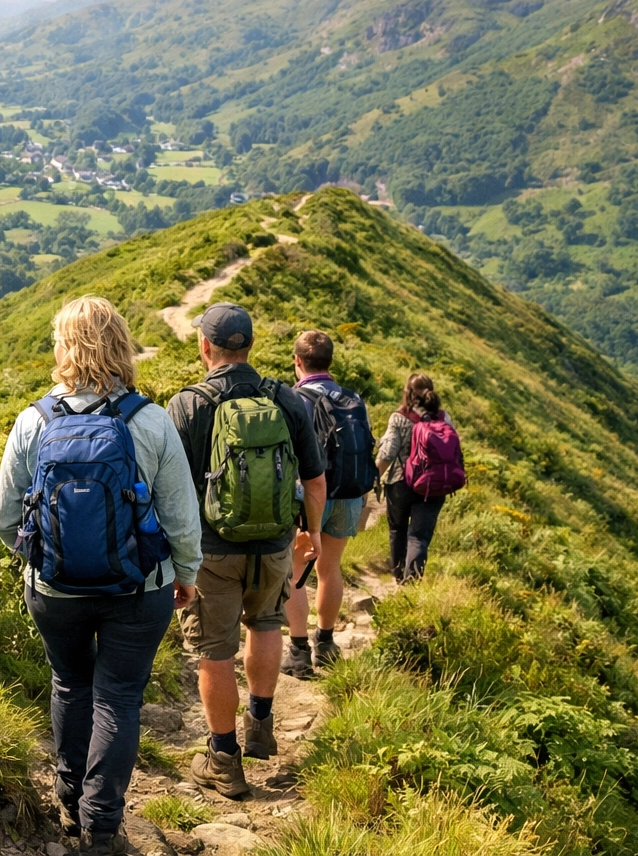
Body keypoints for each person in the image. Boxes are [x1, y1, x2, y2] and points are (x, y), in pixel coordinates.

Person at [0, 296, 201, 856]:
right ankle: (102, 828)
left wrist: (38, 556)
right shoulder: (150, 420)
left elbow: (2, 515)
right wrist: (186, 573)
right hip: (140, 587)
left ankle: (67, 799)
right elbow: (181, 514)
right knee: (119, 698)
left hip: (54, 590)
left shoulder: (34, 420)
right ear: (122, 345)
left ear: (63, 348)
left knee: (69, 684)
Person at [166, 303, 325, 799]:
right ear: (251, 346)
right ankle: (260, 724)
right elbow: (315, 481)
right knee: (265, 625)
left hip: (210, 551)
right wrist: (311, 535)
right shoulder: (285, 399)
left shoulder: (187, 405)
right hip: (275, 543)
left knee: (215, 653)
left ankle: (223, 760)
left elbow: (167, 491)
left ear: (204, 347)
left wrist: (173, 556)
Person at [282, 330, 370, 677]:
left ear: (298, 362)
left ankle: (300, 652)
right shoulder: (353, 398)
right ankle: (327, 643)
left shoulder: (295, 398)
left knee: (296, 575)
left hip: (310, 496)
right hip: (348, 493)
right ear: (329, 361)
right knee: (330, 568)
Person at [377, 373, 452, 583]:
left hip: (402, 483)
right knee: (419, 536)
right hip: (434, 486)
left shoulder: (399, 417)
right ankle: (412, 583)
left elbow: (387, 453)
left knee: (397, 529)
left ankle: (399, 575)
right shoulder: (444, 418)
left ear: (406, 393)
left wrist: (374, 478)